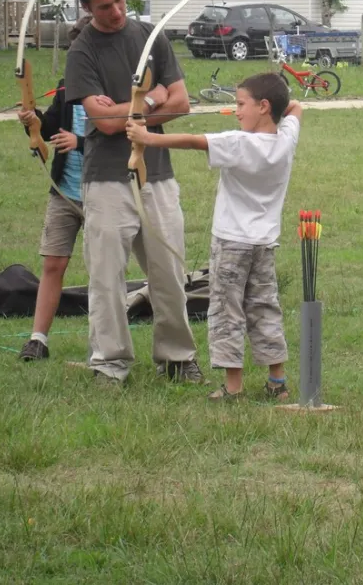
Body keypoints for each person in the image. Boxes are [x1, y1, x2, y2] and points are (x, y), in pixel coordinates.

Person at [63, 0, 203, 385]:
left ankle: (177, 358)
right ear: (88, 7)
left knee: (169, 272)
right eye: (106, 6)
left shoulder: (149, 36)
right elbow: (102, 124)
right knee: (107, 277)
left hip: (156, 174)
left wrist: (143, 104)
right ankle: (110, 362)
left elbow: (183, 102)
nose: (118, 11)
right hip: (105, 178)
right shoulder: (81, 50)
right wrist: (152, 99)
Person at [126, 73, 302, 401]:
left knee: (226, 310)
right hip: (264, 244)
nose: (236, 111)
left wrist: (145, 137)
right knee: (264, 307)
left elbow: (194, 140)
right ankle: (277, 383)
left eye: (241, 104)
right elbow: (296, 108)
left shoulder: (239, 142)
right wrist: (280, 104)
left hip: (232, 243)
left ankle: (233, 387)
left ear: (263, 106)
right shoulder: (286, 139)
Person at [17, 16, 115, 362]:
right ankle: (37, 340)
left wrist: (81, 141)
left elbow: (120, 135)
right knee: (53, 264)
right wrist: (34, 121)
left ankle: (103, 347)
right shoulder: (66, 85)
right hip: (64, 191)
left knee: (104, 270)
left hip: (105, 191)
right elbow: (50, 130)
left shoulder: (115, 86)